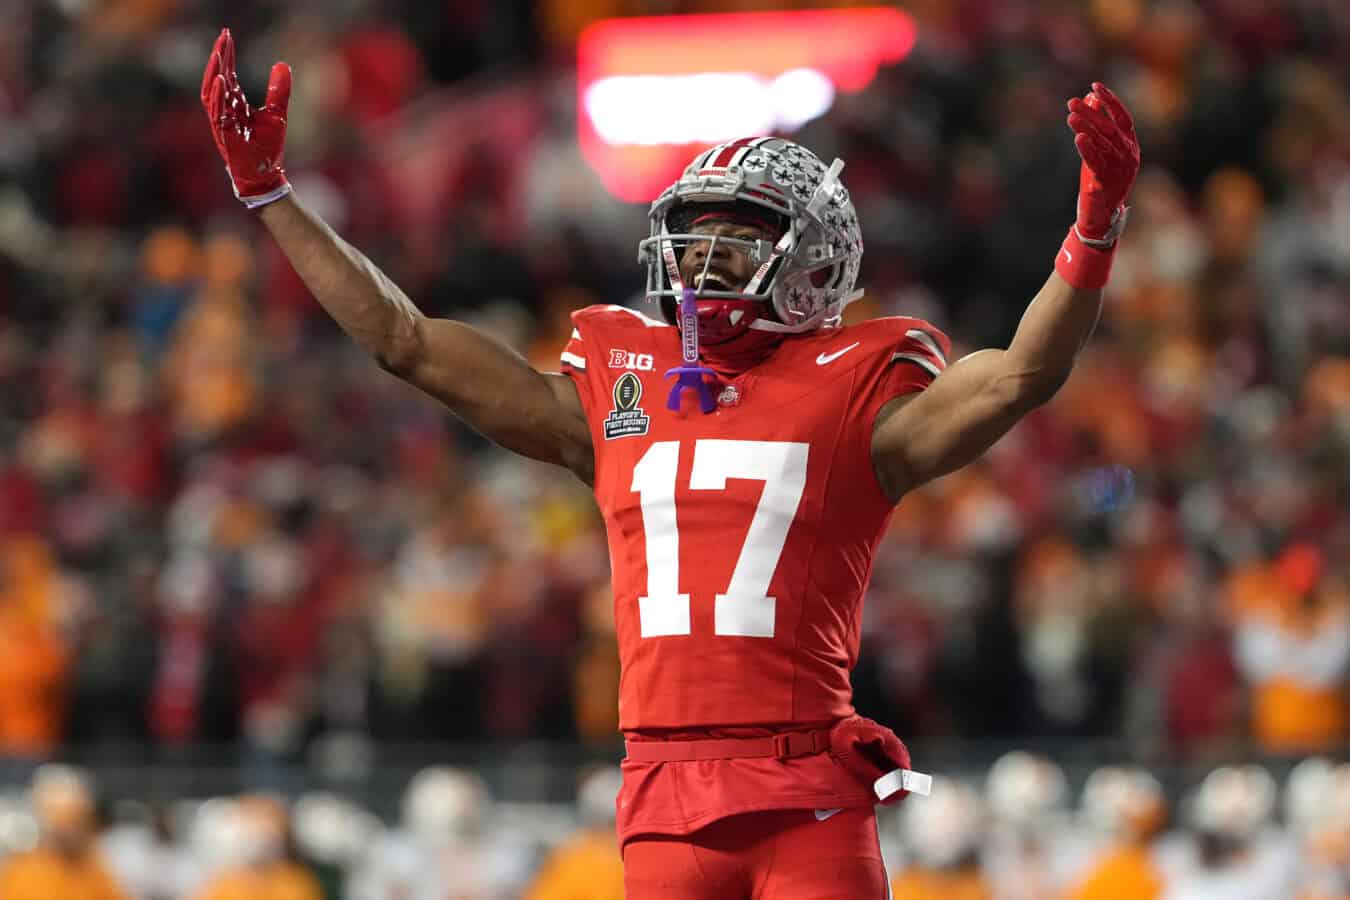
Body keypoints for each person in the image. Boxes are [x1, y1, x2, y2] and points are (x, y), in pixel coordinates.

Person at [201, 27, 1140, 900]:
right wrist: (273, 201)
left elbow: (1018, 375)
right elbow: (404, 340)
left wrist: (1092, 232)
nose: (703, 257)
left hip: (806, 787)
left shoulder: (859, 385)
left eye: (738, 235)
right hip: (659, 794)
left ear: (812, 257)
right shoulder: (619, 381)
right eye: (696, 233)